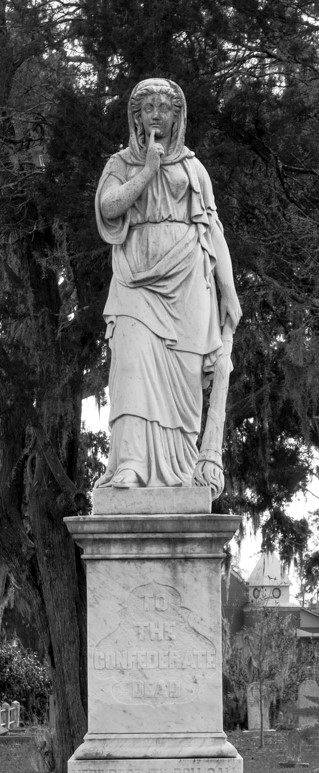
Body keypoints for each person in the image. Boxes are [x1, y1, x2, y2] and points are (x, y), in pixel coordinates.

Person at [95, 77, 241, 489]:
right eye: (148, 107)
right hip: (134, 283)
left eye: (165, 107)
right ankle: (130, 465)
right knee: (132, 367)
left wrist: (228, 290)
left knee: (185, 380)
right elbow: (109, 207)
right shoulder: (121, 163)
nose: (157, 113)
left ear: (177, 116)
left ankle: (180, 471)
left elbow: (213, 230)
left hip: (188, 283)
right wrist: (146, 172)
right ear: (136, 117)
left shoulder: (194, 168)